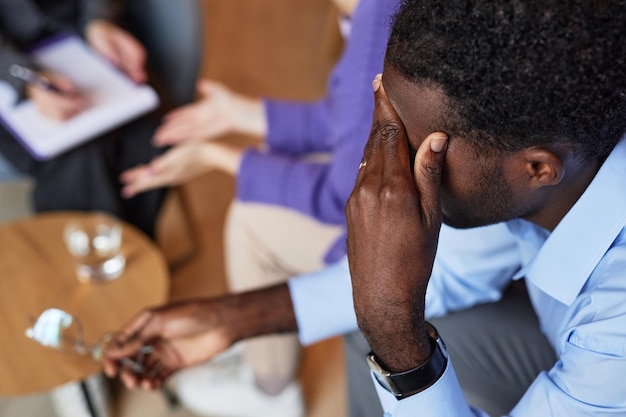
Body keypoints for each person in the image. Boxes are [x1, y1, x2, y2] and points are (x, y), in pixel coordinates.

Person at [103, 0, 626, 416]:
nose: (385, 168)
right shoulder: (543, 164)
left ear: (536, 168)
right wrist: (229, 318)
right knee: (369, 330)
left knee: (384, 334)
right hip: (556, 334)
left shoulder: (617, 325)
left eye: (419, 146)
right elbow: (459, 270)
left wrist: (395, 331)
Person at [112, 0, 394, 415]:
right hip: (390, 186)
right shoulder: (373, 11)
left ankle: (271, 390)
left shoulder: (377, 30)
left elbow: (341, 197)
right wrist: (239, 114)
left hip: (406, 237)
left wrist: (219, 158)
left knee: (251, 221)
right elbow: (349, 123)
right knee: (271, 182)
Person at [0, 0, 166, 238]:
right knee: (76, 155)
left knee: (153, 136)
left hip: (80, 41)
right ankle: (126, 259)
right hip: (8, 74)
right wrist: (23, 77)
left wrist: (99, 21)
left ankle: (118, 258)